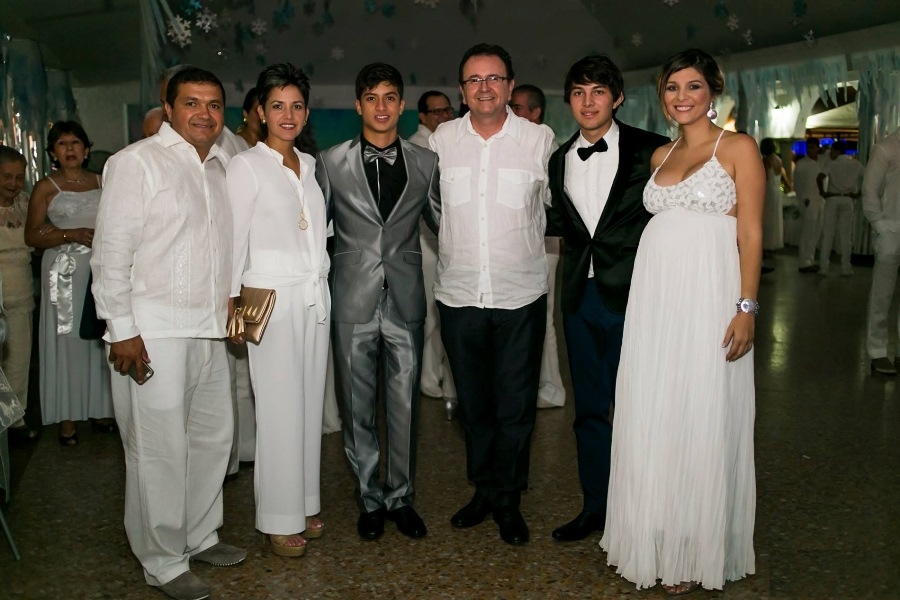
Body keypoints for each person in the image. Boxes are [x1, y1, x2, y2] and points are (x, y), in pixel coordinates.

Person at [600, 48, 762, 594]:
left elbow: (751, 234)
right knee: (657, 407)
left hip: (709, 298)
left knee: (700, 406)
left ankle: (695, 546)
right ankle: (655, 531)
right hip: (655, 303)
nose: (682, 96)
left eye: (693, 86)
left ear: (712, 91)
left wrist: (746, 308)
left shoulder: (738, 148)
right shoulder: (659, 155)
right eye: (672, 88)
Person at [91, 66, 245, 600]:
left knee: (211, 440)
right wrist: (121, 330)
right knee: (158, 449)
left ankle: (199, 535)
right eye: (192, 103)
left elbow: (222, 252)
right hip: (153, 332)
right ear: (169, 108)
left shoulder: (221, 168)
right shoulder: (136, 163)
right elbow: (111, 253)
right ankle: (161, 560)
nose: (204, 113)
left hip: (208, 329)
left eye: (214, 104)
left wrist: (232, 309)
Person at [429, 43, 553, 546]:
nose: (485, 87)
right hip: (459, 294)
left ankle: (509, 498)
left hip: (520, 294)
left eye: (494, 78)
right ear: (462, 90)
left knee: (515, 406)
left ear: (509, 85)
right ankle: (483, 488)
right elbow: (430, 206)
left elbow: (557, 206)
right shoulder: (442, 140)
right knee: (474, 405)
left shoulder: (539, 140)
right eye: (474, 79)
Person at [545, 56, 669, 543]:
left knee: (641, 407)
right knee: (589, 410)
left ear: (617, 98)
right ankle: (595, 505)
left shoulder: (653, 150)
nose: (588, 101)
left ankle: (644, 510)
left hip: (637, 294)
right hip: (580, 295)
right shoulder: (559, 158)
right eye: (578, 92)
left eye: (598, 91)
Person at [315, 63, 440, 541]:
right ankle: (369, 497)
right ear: (358, 104)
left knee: (405, 405)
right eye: (372, 98)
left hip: (406, 297)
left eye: (390, 97)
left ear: (402, 105)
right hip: (351, 297)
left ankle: (401, 497)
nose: (381, 106)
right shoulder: (330, 161)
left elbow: (444, 226)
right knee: (356, 405)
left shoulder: (426, 163)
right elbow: (314, 231)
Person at [226, 63, 330, 557]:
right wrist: (232, 309)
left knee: (308, 406)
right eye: (277, 106)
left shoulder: (309, 165)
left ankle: (303, 503)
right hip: (267, 299)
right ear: (260, 112)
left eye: (296, 106)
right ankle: (276, 517)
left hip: (313, 296)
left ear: (306, 113)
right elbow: (233, 241)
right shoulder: (246, 165)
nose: (287, 115)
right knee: (278, 410)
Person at [24, 121, 114, 446]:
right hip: (63, 269)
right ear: (53, 153)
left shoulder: (103, 181)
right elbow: (32, 235)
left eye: (75, 142)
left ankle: (101, 409)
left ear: (86, 149)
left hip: (99, 268)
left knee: (98, 337)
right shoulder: (45, 187)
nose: (70, 149)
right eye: (62, 144)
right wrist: (68, 234)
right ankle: (67, 416)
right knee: (67, 339)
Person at [510, 83, 566, 409]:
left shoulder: (547, 146)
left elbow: (554, 202)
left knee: (543, 316)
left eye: (518, 107)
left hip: (545, 243)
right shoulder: (516, 143)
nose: (512, 112)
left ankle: (552, 387)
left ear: (536, 112)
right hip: (523, 243)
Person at [407, 91, 457, 416]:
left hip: (446, 243)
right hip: (425, 243)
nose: (442, 116)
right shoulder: (417, 146)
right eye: (435, 112)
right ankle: (426, 379)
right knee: (428, 315)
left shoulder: (449, 142)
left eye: (446, 110)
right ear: (422, 116)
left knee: (443, 316)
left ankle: (436, 375)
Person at [0, 146, 35, 440]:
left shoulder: (26, 202)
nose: (13, 183)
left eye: (19, 177)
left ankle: (14, 420)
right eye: (6, 176)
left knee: (19, 359)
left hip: (21, 290)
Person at [863, 128, 900, 375]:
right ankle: (877, 351)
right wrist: (879, 225)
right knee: (882, 294)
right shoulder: (887, 147)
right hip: (891, 229)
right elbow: (869, 189)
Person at [817, 140, 864, 276]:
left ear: (837, 151)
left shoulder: (831, 164)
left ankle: (823, 267)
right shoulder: (856, 164)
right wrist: (858, 194)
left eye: (832, 150)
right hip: (848, 199)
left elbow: (819, 178)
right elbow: (868, 178)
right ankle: (846, 268)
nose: (830, 153)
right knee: (845, 236)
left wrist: (822, 192)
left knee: (828, 234)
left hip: (832, 198)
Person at [794, 137, 825, 273]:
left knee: (816, 232)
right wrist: (803, 198)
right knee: (808, 232)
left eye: (813, 147)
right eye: (808, 148)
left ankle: (810, 259)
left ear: (817, 148)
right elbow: (797, 184)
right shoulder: (801, 164)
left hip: (820, 200)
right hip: (808, 200)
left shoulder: (822, 162)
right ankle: (804, 262)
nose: (810, 150)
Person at [761, 138, 788, 257]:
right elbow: (782, 177)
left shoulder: (766, 160)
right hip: (777, 190)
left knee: (767, 218)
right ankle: (774, 243)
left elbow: (765, 178)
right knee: (775, 217)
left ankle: (766, 245)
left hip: (768, 191)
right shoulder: (778, 159)